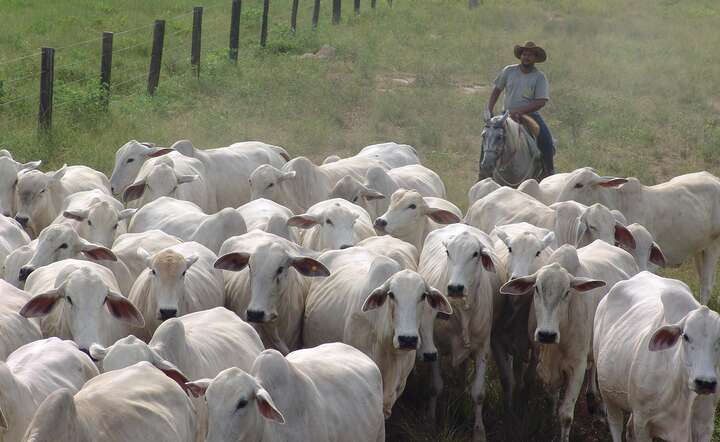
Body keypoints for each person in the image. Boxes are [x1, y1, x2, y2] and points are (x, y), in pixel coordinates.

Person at [485, 41, 555, 179]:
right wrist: (489, 108)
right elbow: (497, 89)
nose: (526, 57)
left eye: (530, 55)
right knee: (489, 136)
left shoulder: (539, 77)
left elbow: (541, 101)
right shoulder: (508, 71)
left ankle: (548, 172)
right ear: (520, 56)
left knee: (546, 140)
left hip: (530, 115)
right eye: (524, 54)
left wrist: (520, 111)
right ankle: (483, 171)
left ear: (535, 58)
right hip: (506, 114)